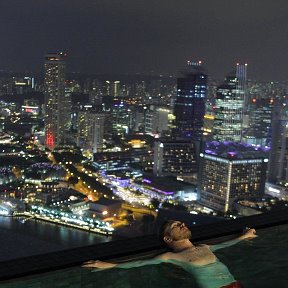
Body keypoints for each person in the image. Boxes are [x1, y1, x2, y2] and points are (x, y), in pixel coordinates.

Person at [82, 220, 257, 288]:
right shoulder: (170, 257)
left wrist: (245, 236)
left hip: (236, 285)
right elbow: (140, 263)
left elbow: (226, 244)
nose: (182, 225)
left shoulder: (204, 246)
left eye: (181, 223)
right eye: (176, 226)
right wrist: (108, 265)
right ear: (168, 238)